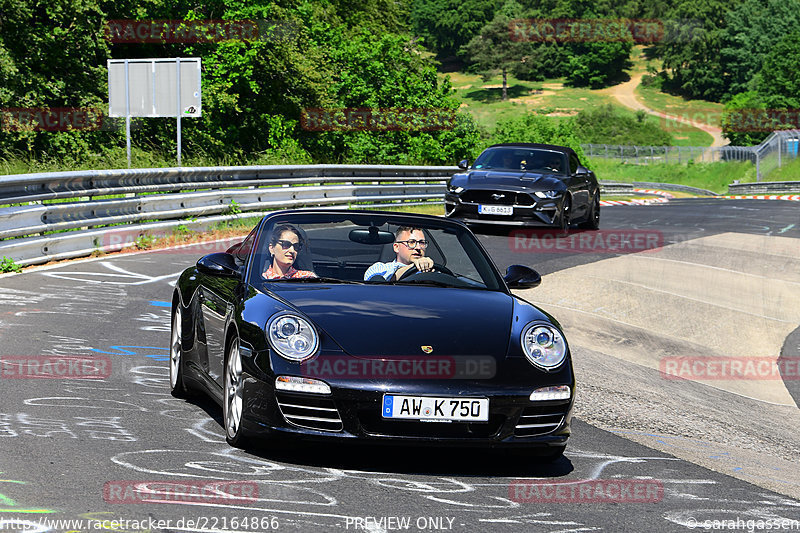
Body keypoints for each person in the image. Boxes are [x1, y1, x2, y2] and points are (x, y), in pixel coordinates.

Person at [363, 226, 434, 281]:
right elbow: (376, 287)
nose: (418, 247)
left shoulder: (434, 271)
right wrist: (413, 267)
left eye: (422, 243)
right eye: (411, 242)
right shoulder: (379, 268)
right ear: (396, 247)